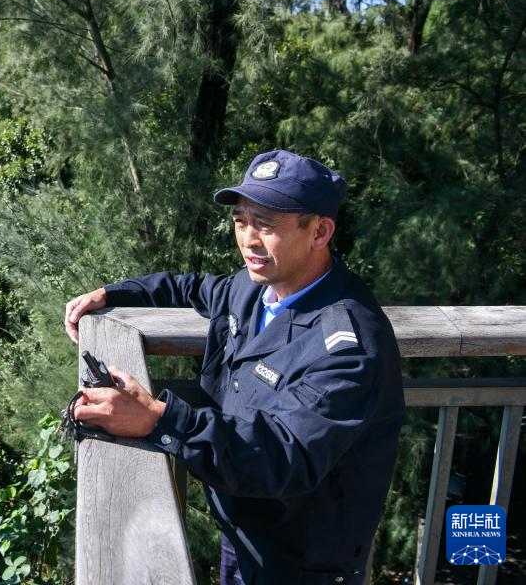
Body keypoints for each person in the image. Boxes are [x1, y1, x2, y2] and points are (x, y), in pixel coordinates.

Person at [64, 149, 405, 585]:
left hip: (300, 564)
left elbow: (285, 456)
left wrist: (159, 418)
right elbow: (192, 288)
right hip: (243, 537)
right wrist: (113, 294)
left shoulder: (349, 347)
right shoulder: (255, 289)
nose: (247, 238)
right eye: (241, 220)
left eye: (266, 223)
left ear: (320, 231)